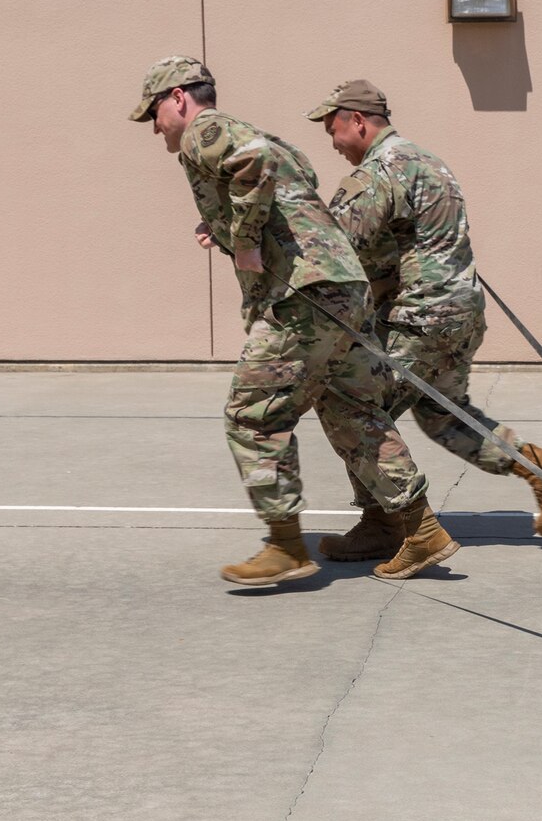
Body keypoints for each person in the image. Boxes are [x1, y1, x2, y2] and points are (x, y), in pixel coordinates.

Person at [129, 57, 458, 585]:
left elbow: (253, 164)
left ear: (178, 99)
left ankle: (285, 544)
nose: (154, 126)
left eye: (154, 112)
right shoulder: (257, 133)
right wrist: (230, 224)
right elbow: (297, 172)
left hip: (303, 296)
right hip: (341, 286)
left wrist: (244, 240)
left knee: (252, 414)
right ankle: (420, 531)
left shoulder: (204, 130)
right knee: (350, 407)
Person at [304, 80, 542, 562]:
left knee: (352, 403)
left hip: (421, 316)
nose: (333, 142)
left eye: (334, 130)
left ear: (357, 119)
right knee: (443, 415)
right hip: (459, 312)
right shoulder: (430, 162)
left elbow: (335, 249)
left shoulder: (379, 173)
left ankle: (387, 524)